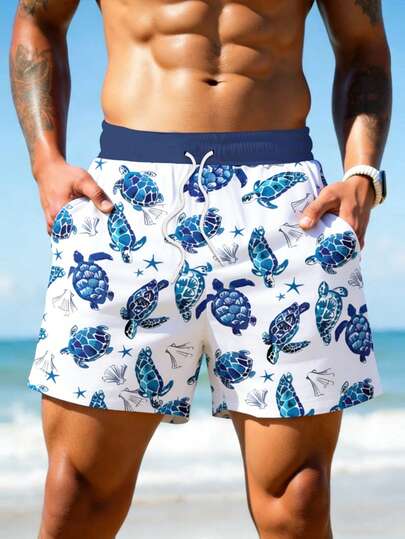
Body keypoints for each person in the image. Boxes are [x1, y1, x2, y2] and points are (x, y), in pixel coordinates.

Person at [10, 1, 391, 537]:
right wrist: (45, 161)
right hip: (127, 203)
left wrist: (362, 172)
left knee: (297, 500)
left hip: (285, 207)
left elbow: (363, 44)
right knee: (80, 494)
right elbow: (38, 19)